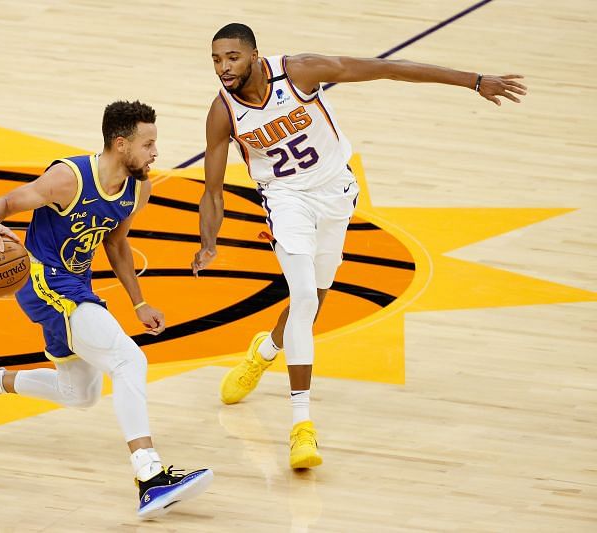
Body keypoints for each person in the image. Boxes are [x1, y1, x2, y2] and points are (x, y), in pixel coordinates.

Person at [192, 23, 526, 469]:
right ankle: (301, 426)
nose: (223, 67)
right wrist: (208, 243)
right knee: (305, 296)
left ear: (255, 55)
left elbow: (389, 68)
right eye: (216, 59)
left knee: (317, 299)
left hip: (335, 192)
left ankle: (265, 351)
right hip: (284, 200)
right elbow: (212, 192)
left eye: (232, 57)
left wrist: (474, 80)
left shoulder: (299, 73)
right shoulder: (222, 113)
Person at [0, 100, 213, 519]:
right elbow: (4, 202)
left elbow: (116, 243)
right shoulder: (68, 179)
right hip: (42, 280)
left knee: (80, 393)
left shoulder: (138, 188)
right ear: (120, 144)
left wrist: (138, 302)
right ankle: (149, 476)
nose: (156, 152)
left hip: (75, 285)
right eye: (148, 143)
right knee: (128, 360)